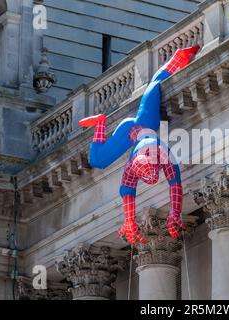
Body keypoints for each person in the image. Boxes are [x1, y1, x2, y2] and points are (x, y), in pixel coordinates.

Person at [78, 45, 200, 245]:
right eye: (148, 175)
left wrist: (174, 213)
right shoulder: (132, 169)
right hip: (131, 131)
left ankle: (178, 57)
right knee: (96, 160)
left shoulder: (159, 151)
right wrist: (130, 221)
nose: (151, 177)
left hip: (143, 123)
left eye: (150, 173)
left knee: (154, 85)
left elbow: (174, 183)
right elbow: (129, 192)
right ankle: (100, 122)